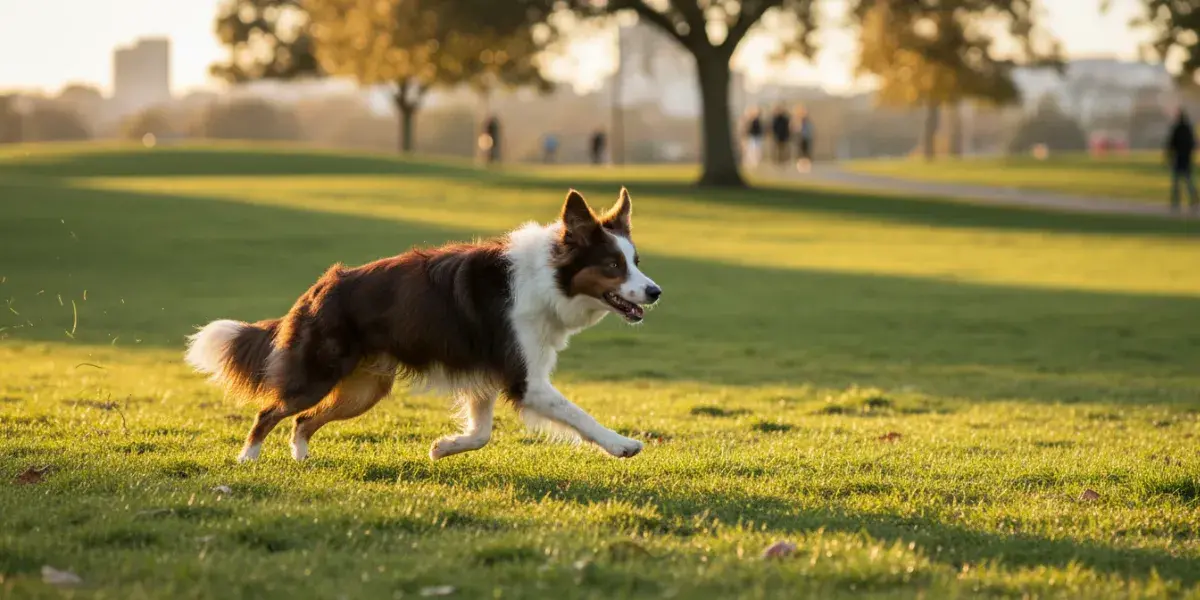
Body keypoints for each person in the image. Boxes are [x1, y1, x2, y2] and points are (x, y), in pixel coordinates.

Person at [1165, 108, 1198, 213]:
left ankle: (1176, 201)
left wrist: (1169, 156)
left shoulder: (1177, 128)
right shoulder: (1188, 129)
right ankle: (1193, 198)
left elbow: (1171, 143)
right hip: (1186, 158)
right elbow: (1193, 143)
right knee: (1188, 180)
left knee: (1177, 181)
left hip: (1179, 157)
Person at [795, 105, 814, 172]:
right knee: (801, 153)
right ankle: (800, 167)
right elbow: (796, 129)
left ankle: (806, 167)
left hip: (807, 138)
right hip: (801, 138)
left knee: (806, 152)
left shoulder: (807, 121)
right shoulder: (798, 121)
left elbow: (810, 129)